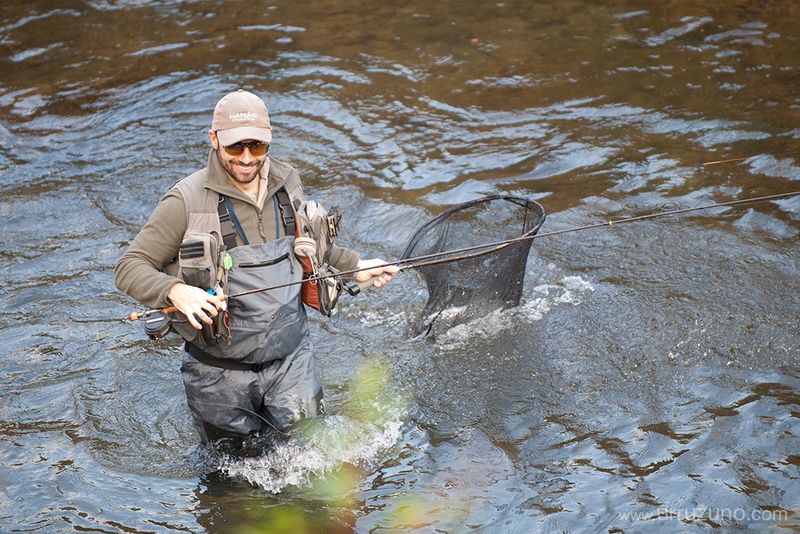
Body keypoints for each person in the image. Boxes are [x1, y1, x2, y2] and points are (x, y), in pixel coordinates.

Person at [115, 89, 398, 447]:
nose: (247, 158)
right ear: (214, 139)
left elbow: (309, 246)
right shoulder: (185, 200)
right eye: (235, 147)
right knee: (230, 480)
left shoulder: (287, 181)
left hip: (292, 361)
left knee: (313, 461)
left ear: (269, 140)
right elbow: (129, 266)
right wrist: (175, 291)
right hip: (219, 376)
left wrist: (356, 266)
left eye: (257, 146)